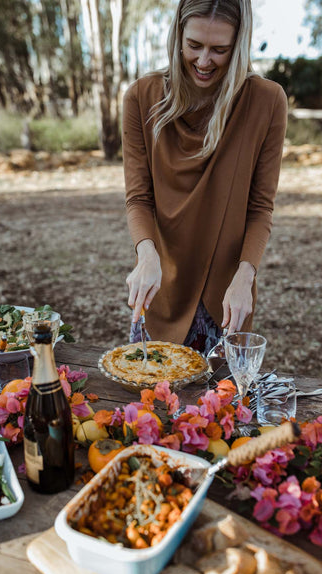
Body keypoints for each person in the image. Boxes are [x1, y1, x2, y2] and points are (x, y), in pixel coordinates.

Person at [122, 0, 288, 355]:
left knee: (223, 408)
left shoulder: (267, 100)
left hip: (228, 296)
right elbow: (139, 198)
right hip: (161, 287)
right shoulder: (141, 97)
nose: (203, 61)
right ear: (178, 36)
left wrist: (246, 277)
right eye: (194, 45)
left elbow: (260, 208)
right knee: (152, 407)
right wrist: (146, 255)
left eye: (220, 50)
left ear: (239, 44)